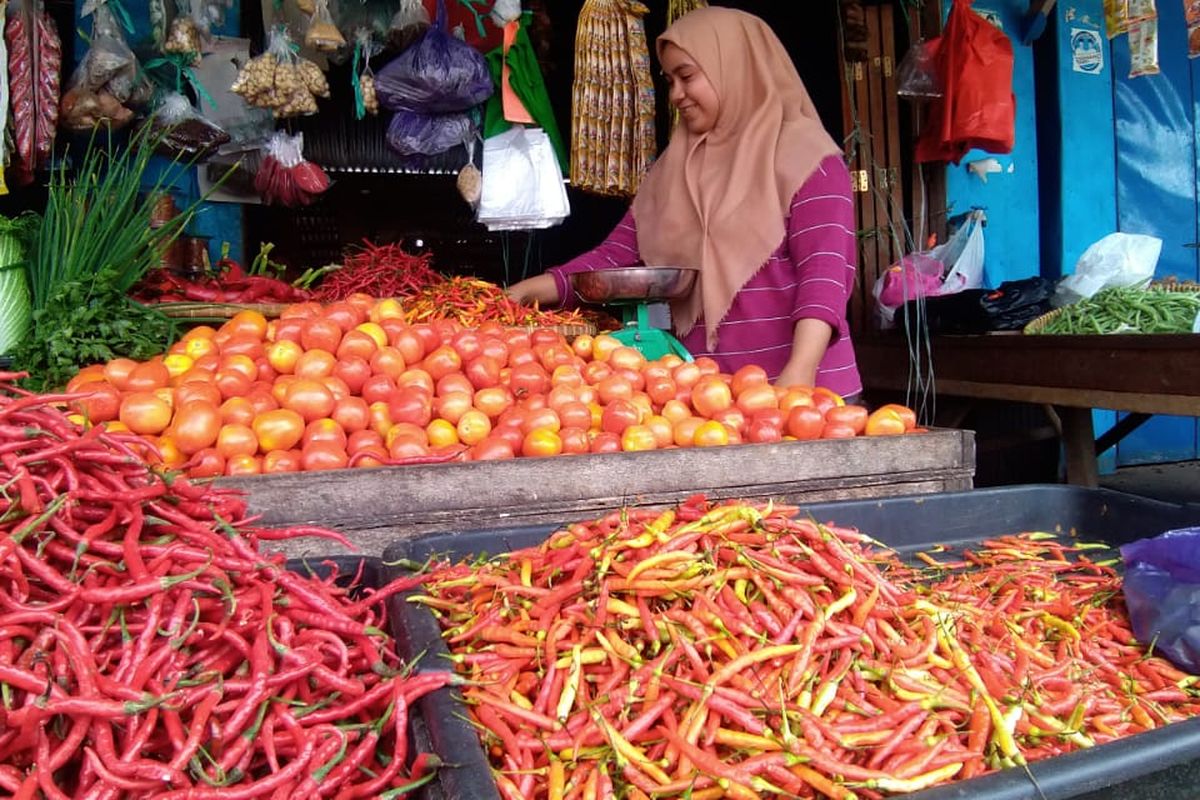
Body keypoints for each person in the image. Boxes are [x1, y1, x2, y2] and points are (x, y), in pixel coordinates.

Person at [506, 7, 862, 399]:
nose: (676, 94)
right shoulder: (672, 169)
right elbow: (618, 256)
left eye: (687, 76)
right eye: (670, 80)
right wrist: (530, 290)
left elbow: (824, 277)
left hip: (806, 397)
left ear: (735, 67)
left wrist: (800, 373)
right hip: (705, 400)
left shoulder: (810, 160)